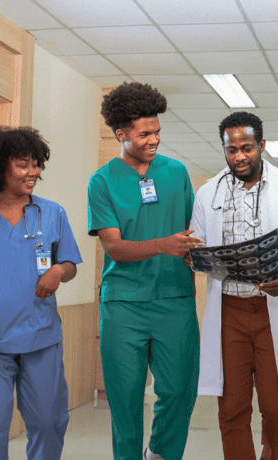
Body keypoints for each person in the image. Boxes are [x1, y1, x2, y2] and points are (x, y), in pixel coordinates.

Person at [87, 81, 202, 460]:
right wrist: (163, 245)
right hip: (123, 304)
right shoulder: (102, 181)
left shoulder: (176, 172)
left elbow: (188, 233)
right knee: (125, 398)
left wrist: (192, 256)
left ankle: (162, 453)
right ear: (121, 134)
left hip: (175, 299)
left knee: (179, 391)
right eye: (144, 133)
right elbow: (114, 247)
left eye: (157, 131)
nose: (154, 139)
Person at [0, 126, 82, 460]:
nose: (34, 171)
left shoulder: (52, 213)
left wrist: (57, 270)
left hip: (40, 335)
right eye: (23, 164)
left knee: (48, 420)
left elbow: (69, 264)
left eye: (36, 163)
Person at [190, 111, 278, 460]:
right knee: (231, 409)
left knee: (275, 406)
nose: (239, 156)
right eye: (231, 150)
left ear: (262, 145)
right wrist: (194, 256)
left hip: (271, 309)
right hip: (229, 311)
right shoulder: (207, 192)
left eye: (246, 147)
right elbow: (198, 245)